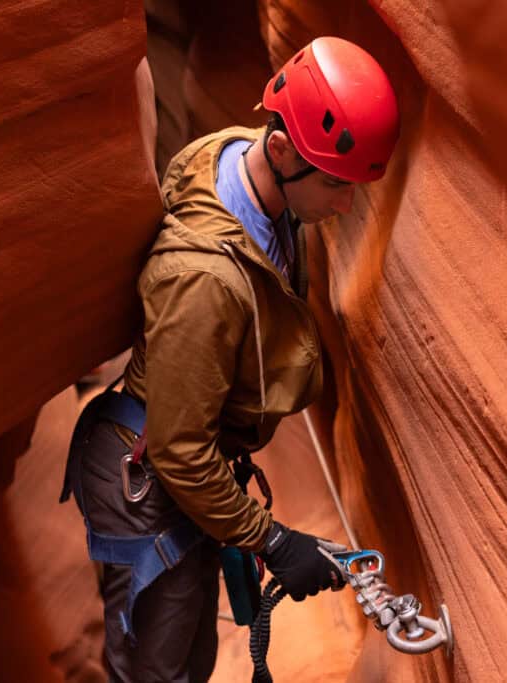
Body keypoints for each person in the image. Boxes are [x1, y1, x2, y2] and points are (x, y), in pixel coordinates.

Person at [61, 36, 400, 682]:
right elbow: (181, 449)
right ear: (281, 150)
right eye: (335, 183)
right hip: (151, 483)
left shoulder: (241, 158)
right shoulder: (201, 281)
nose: (346, 204)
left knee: (187, 660)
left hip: (175, 465)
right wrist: (271, 538)